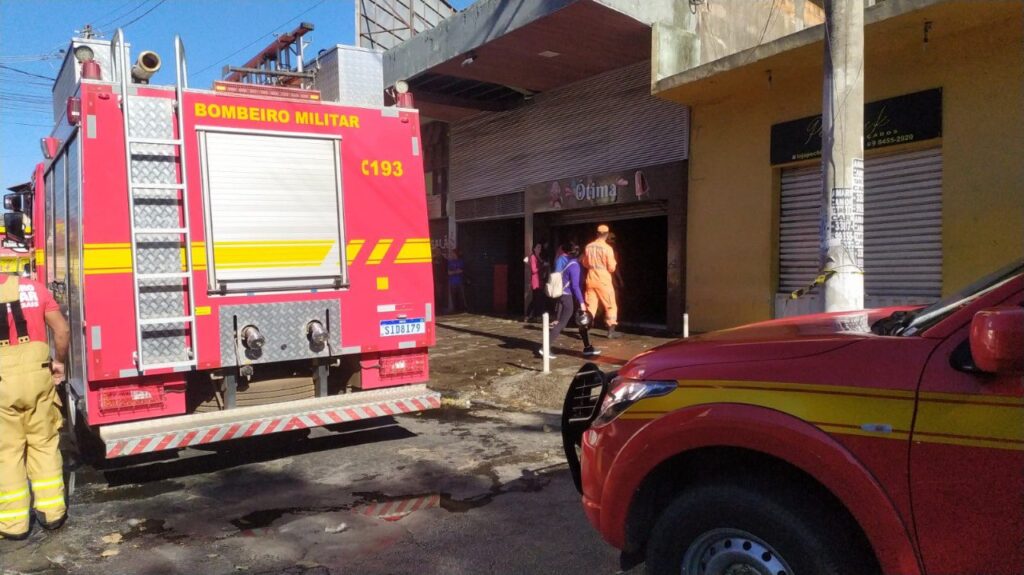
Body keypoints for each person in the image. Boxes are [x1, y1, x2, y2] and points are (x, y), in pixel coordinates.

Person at [0, 272, 70, 540]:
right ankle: (53, 514)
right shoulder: (36, 289)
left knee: (7, 453)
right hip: (39, 380)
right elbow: (61, 330)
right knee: (44, 444)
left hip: (3, 386)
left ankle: (13, 525)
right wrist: (59, 363)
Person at [543, 241, 600, 359]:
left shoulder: (572, 263)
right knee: (562, 323)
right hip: (567, 296)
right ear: (582, 255)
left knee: (582, 322)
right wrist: (582, 303)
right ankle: (545, 348)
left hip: (570, 296)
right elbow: (575, 286)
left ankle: (587, 347)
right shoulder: (575, 266)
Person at [581, 224, 622, 339]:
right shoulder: (608, 249)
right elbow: (612, 268)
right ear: (607, 235)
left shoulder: (588, 246)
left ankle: (586, 329)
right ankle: (610, 331)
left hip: (590, 278)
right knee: (610, 305)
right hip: (603, 279)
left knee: (590, 306)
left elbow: (584, 263)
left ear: (597, 234)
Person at [524, 243, 548, 322]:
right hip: (535, 281)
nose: (539, 249)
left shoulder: (538, 257)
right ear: (534, 248)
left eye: (540, 247)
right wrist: (542, 266)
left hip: (540, 281)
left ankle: (534, 316)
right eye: (537, 247)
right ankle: (529, 315)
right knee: (536, 299)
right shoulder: (533, 257)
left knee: (538, 299)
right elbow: (534, 270)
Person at [447, 248, 468, 313]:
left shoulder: (461, 261)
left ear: (456, 254)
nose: (452, 255)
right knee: (453, 297)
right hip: (452, 282)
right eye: (452, 254)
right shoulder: (450, 262)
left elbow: (461, 271)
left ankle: (462, 309)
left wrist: (453, 272)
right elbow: (449, 272)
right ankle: (454, 310)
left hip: (459, 282)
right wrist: (456, 271)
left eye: (453, 254)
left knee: (461, 296)